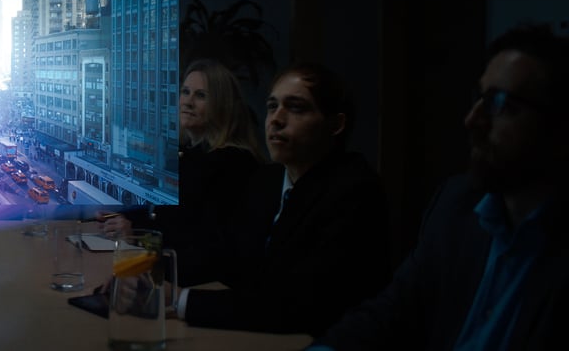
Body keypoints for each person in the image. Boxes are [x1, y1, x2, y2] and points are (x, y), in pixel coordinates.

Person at [311, 23, 569, 350]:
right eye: (479, 98)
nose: (472, 119)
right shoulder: (458, 205)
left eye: (501, 103)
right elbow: (389, 314)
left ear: (561, 129)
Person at [169, 62, 391, 335]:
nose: (276, 119)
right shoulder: (267, 180)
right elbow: (225, 258)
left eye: (295, 107)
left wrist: (177, 299)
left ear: (336, 124)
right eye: (272, 106)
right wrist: (149, 271)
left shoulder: (355, 192)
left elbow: (296, 303)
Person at [100, 59, 265, 252]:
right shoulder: (190, 154)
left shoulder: (233, 163)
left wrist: (136, 236)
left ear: (223, 105)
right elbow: (163, 216)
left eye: (201, 95)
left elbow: (202, 240)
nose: (188, 102)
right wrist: (121, 220)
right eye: (185, 92)